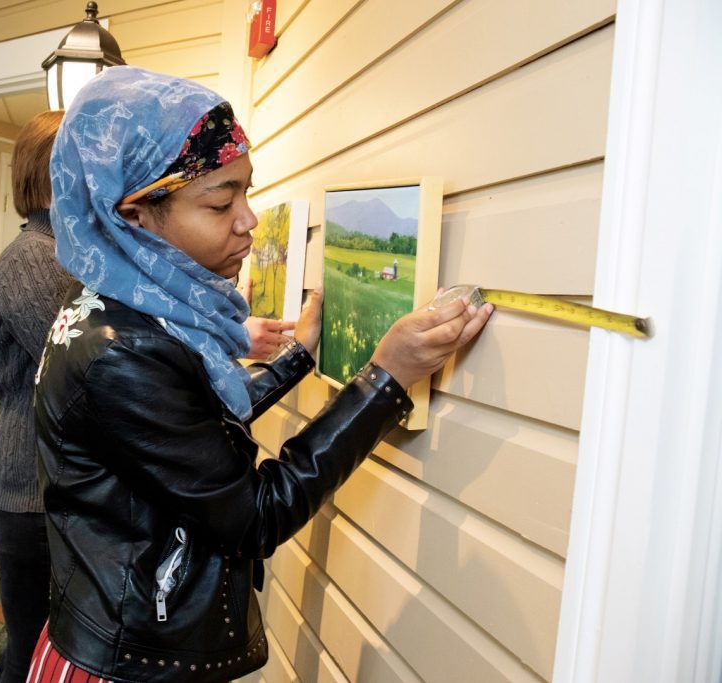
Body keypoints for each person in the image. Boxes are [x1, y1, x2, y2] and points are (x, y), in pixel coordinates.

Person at [29, 66, 492, 682]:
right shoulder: (125, 351)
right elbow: (255, 516)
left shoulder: (119, 302)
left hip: (118, 631)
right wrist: (384, 379)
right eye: (221, 202)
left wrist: (298, 355)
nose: (247, 219)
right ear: (133, 216)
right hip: (131, 663)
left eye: (246, 192)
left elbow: (192, 429)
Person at [0, 109, 72, 683]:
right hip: (27, 493)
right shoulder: (36, 260)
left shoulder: (63, 251)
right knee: (32, 652)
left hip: (42, 488)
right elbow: (91, 372)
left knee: (37, 646)